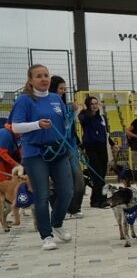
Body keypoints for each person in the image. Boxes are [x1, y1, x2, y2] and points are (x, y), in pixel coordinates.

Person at [10, 64, 74, 250]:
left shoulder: (55, 98)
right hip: (35, 153)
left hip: (58, 151)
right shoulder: (24, 100)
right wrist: (36, 124)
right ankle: (46, 235)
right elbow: (15, 127)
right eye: (38, 76)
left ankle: (57, 223)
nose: (44, 79)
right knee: (42, 194)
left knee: (67, 191)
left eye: (46, 75)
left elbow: (63, 123)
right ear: (31, 80)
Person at [48, 76, 86, 219]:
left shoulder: (66, 105)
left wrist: (74, 111)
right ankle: (59, 209)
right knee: (58, 180)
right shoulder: (48, 106)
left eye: (64, 89)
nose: (63, 92)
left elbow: (69, 127)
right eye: (60, 88)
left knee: (79, 178)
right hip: (54, 147)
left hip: (70, 145)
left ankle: (75, 208)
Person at [79, 95, 118, 208]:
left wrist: (112, 144)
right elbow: (83, 119)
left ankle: (95, 200)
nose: (94, 106)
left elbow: (106, 134)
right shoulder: (84, 116)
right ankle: (101, 200)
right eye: (92, 104)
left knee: (101, 175)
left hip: (102, 147)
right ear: (88, 105)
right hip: (91, 147)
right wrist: (87, 110)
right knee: (97, 175)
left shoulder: (102, 117)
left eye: (96, 103)